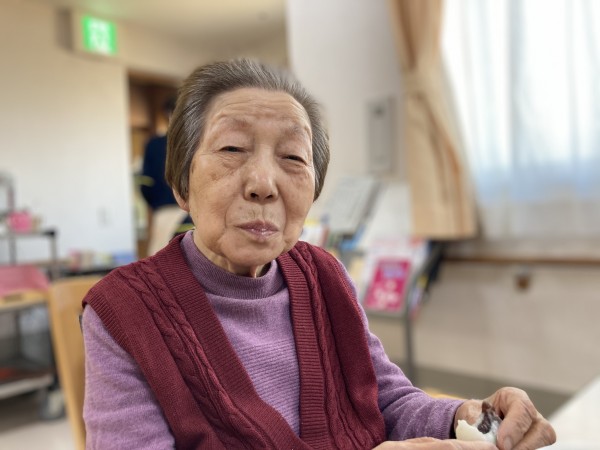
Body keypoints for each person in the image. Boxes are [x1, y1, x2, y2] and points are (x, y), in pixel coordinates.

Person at [81, 59, 556, 449]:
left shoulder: (322, 273)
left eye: (293, 157)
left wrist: (467, 418)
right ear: (181, 184)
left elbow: (386, 399)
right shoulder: (122, 311)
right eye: (232, 148)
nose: (264, 184)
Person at [140, 96, 193, 255]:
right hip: (192, 209)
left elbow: (145, 184)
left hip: (166, 210)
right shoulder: (196, 142)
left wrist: (156, 203)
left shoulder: (154, 144)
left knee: (161, 258)